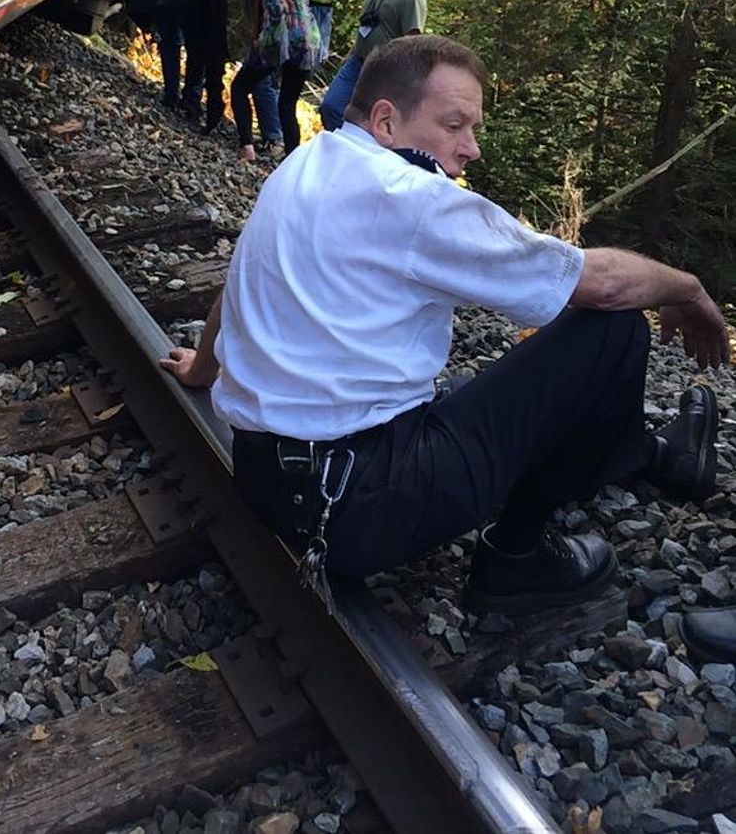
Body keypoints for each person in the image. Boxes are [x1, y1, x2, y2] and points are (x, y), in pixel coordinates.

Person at [161, 36, 729, 617]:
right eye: (455, 125)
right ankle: (516, 559)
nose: (471, 148)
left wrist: (204, 369)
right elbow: (600, 283)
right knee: (615, 332)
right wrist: (686, 287)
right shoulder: (411, 198)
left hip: (267, 480)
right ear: (386, 121)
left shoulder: (307, 162)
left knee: (469, 392)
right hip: (357, 508)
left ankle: (651, 454)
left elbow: (242, 279)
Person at [226, 0, 322, 163]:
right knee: (287, 103)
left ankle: (247, 147)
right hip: (309, 38)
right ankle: (292, 163)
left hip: (278, 36)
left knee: (240, 88)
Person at [319, 0, 426, 132]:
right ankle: (343, 152)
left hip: (385, 71)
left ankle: (357, 156)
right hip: (358, 61)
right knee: (331, 106)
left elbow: (413, 41)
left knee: (368, 122)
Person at [226, 0, 283, 153]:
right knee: (267, 85)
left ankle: (270, 138)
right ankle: (274, 139)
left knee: (258, 84)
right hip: (278, 35)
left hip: (272, 35)